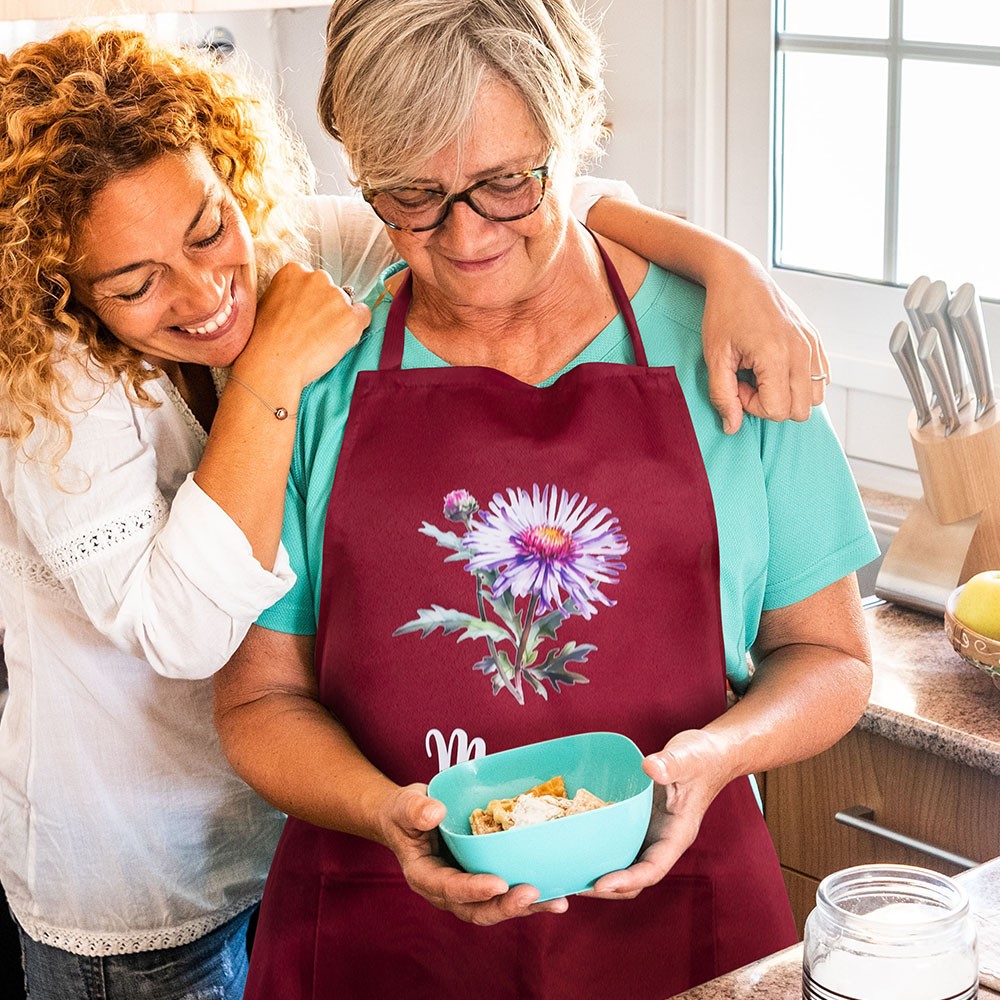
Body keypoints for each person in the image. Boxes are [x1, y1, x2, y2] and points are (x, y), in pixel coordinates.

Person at [0, 21, 833, 1000]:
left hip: (278, 838)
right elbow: (183, 634)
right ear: (59, 287)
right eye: (138, 285)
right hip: (143, 888)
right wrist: (271, 375)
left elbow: (539, 196)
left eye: (208, 228)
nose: (205, 292)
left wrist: (731, 267)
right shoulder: (46, 395)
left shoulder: (298, 239)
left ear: (228, 177)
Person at [213, 2, 879, 998]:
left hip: (683, 908)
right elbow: (260, 698)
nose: (465, 234)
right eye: (411, 196)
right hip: (378, 929)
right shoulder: (310, 378)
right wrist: (382, 810)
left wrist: (718, 754)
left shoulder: (726, 345)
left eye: (506, 184)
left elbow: (829, 656)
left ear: (571, 135)